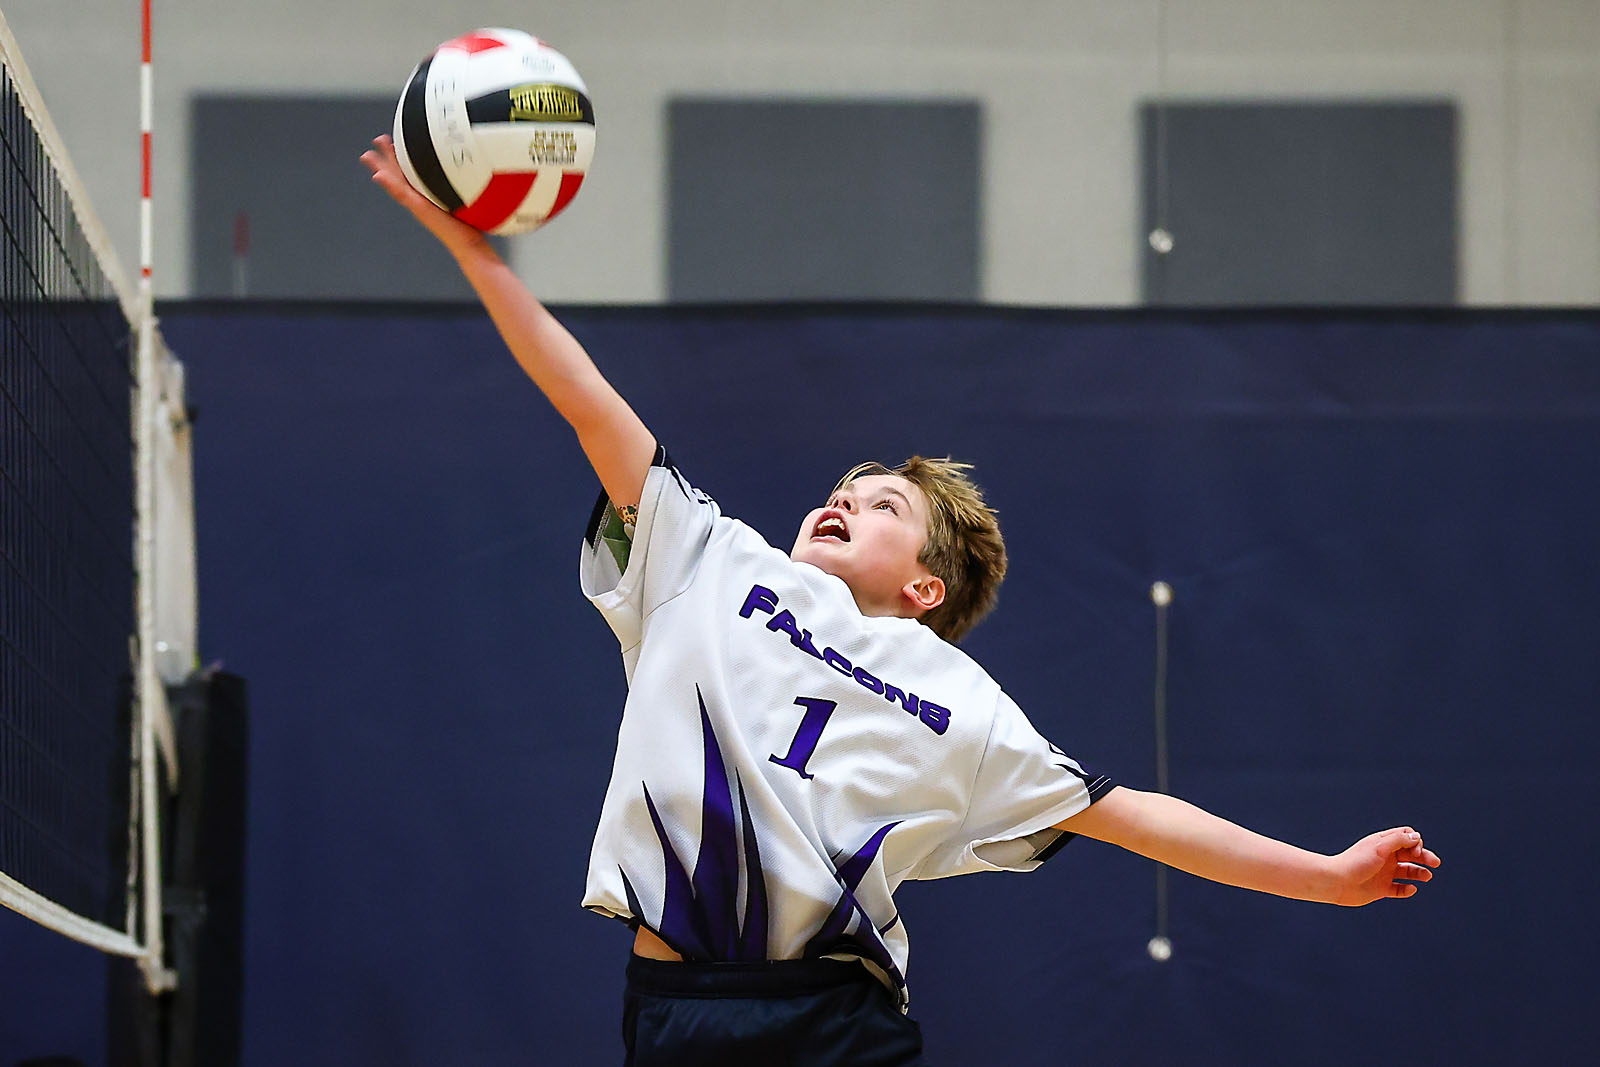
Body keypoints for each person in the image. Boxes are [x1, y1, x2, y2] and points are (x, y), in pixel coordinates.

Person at [360, 135, 1441, 1066]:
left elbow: (1132, 817)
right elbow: (587, 401)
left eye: (879, 504)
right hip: (680, 1005)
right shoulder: (705, 558)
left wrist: (1326, 877)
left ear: (923, 585)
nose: (841, 500)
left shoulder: (958, 699)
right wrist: (476, 256)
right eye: (840, 489)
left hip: (836, 1014)